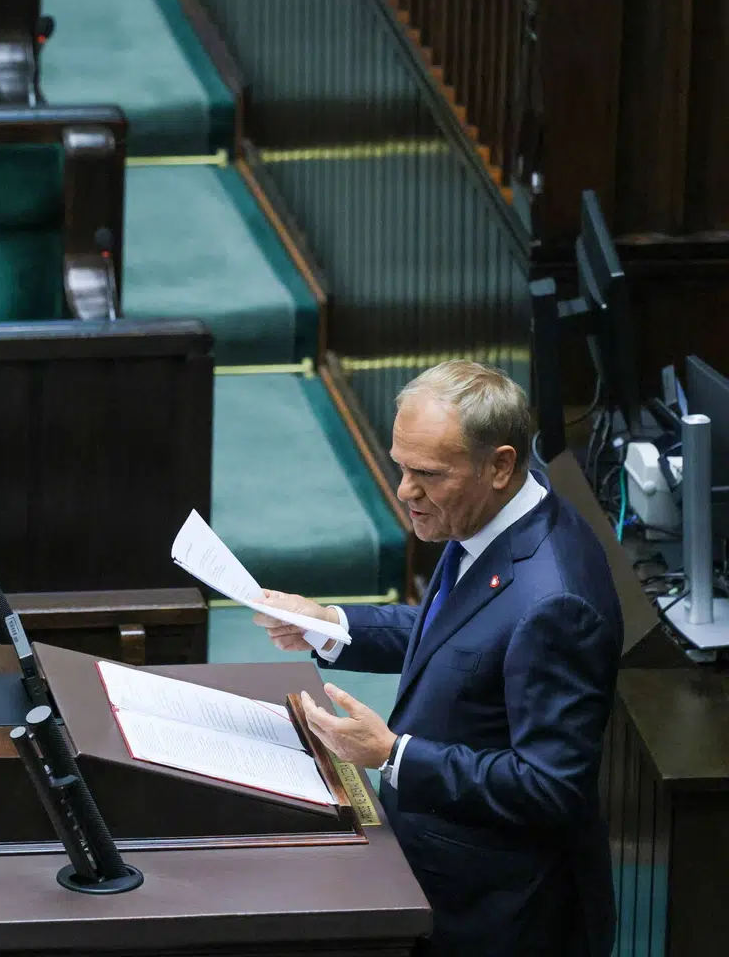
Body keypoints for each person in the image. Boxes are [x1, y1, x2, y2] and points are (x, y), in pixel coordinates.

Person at [254, 360, 621, 956]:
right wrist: (331, 626)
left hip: (499, 914)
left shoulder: (556, 604)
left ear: (500, 464)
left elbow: (551, 788)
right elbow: (464, 634)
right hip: (443, 870)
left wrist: (392, 754)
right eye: (401, 467)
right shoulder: (497, 516)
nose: (405, 492)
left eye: (427, 473)